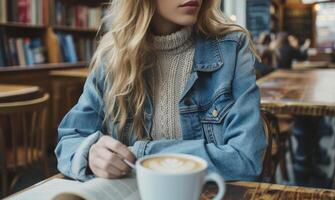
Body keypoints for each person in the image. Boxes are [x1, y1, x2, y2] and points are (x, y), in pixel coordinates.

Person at [55, 0, 267, 182]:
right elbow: (69, 139)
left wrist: (143, 155)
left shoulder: (232, 48)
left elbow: (246, 159)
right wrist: (92, 155)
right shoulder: (114, 56)